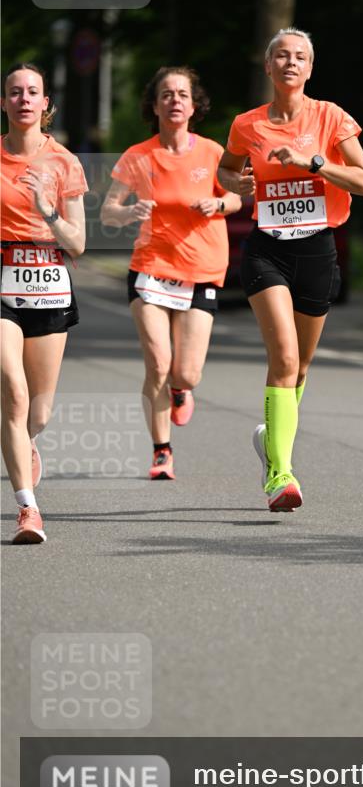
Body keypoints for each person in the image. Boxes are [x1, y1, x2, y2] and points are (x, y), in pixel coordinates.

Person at [218, 28, 363, 512]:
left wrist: (315, 163)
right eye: (281, 56)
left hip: (317, 249)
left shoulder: (330, 117)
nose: (290, 63)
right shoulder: (247, 125)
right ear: (268, 68)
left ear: (310, 69)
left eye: (300, 57)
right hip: (268, 250)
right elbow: (226, 170)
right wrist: (237, 182)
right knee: (283, 359)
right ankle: (280, 475)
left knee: (301, 366)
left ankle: (271, 439)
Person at [101, 67, 241, 480]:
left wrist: (220, 205)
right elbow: (108, 211)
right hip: (151, 269)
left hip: (201, 270)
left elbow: (236, 197)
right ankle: (162, 451)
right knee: (158, 362)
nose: (175, 100)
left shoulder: (214, 153)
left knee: (186, 372)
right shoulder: (138, 156)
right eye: (167, 94)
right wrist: (128, 212)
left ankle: (182, 390)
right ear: (155, 104)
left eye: (182, 94)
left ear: (194, 105)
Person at [1, 63, 87, 543]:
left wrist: (46, 211)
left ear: (45, 105)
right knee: (12, 393)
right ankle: (27, 509)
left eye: (32, 92)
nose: (24, 99)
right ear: (4, 103)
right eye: (15, 92)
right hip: (3, 280)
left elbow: (77, 244)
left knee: (38, 412)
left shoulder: (64, 162)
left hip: (50, 283)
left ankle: (28, 443)